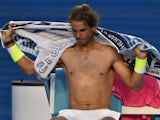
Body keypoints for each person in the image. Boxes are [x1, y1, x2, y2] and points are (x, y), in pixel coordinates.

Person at [1, 4, 147, 120]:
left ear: (93, 27)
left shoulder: (109, 53)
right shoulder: (65, 53)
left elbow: (134, 85)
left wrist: (141, 59)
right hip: (72, 114)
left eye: (83, 30)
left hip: (102, 114)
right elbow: (29, 69)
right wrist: (9, 44)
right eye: (74, 31)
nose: (78, 35)